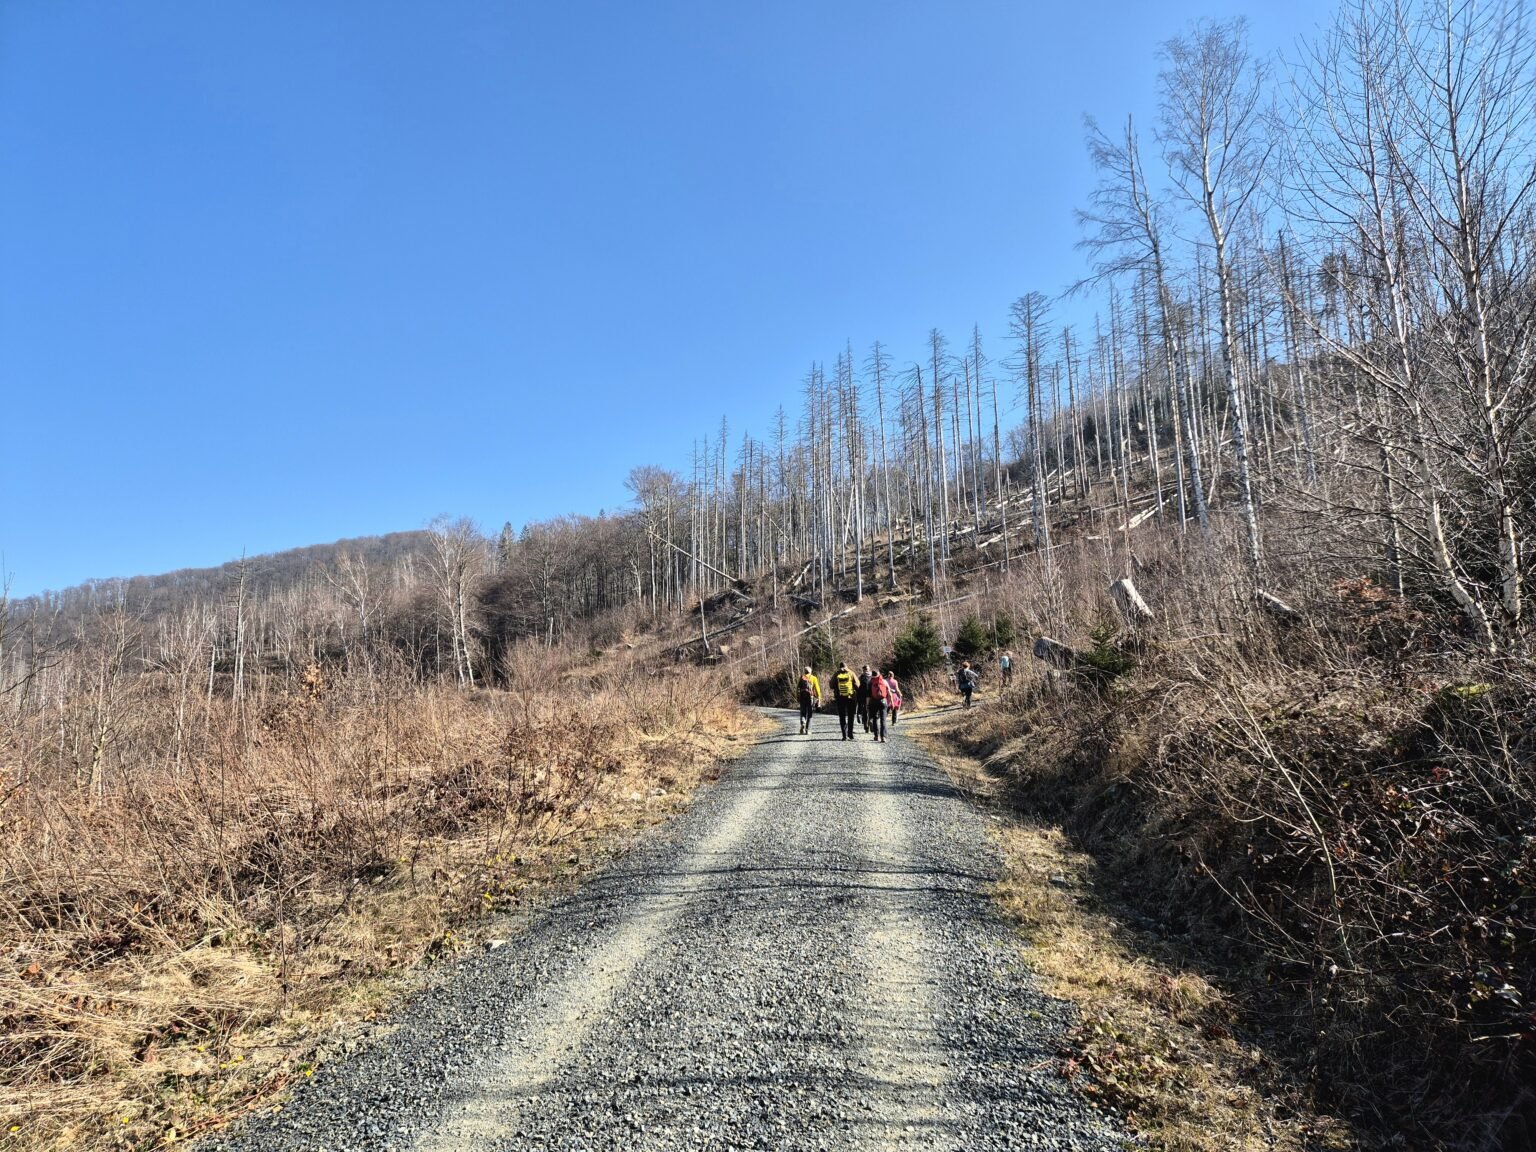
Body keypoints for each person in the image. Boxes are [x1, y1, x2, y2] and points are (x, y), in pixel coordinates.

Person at [831, 662, 859, 740]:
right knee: (851, 716)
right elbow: (858, 685)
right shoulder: (851, 673)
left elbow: (831, 685)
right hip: (851, 697)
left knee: (842, 716)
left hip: (840, 697)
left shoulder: (836, 674)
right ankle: (850, 733)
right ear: (847, 666)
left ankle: (844, 735)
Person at [796, 666, 821, 735]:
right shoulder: (813, 678)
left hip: (802, 697)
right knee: (810, 713)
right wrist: (819, 698)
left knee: (803, 712)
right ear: (810, 671)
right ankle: (808, 730)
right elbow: (817, 689)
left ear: (805, 671)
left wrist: (797, 697)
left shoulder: (801, 677)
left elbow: (797, 688)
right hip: (810, 697)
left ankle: (803, 723)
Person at [868, 669, 890, 742]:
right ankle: (883, 737)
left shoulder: (870, 682)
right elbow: (889, 692)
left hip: (873, 702)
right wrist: (889, 702)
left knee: (875, 719)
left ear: (872, 675)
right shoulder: (884, 681)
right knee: (883, 719)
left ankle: (876, 736)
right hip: (883, 702)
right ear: (879, 674)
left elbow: (868, 695)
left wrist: (867, 704)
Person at [856, 664, 874, 732]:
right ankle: (870, 721)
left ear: (863, 670)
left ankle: (866, 726)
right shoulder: (873, 676)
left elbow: (857, 685)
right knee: (871, 710)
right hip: (871, 696)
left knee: (865, 711)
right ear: (869, 669)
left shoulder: (861, 677)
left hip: (863, 696)